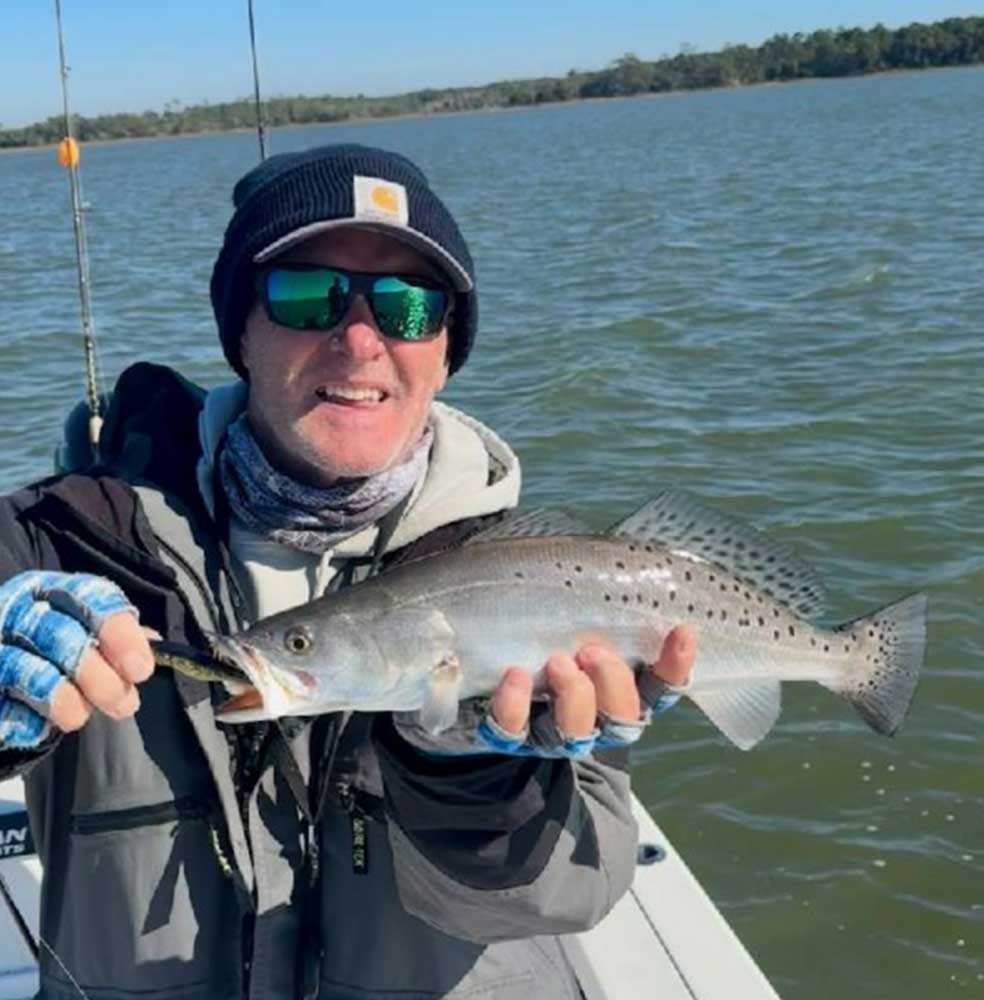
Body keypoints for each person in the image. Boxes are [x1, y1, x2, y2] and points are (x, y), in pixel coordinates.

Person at [0, 144, 695, 1000]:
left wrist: (473, 779)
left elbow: (575, 892)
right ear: (241, 333)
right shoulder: (63, 539)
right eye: (307, 294)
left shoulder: (541, 578)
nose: (361, 340)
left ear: (445, 350)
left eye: (409, 305)